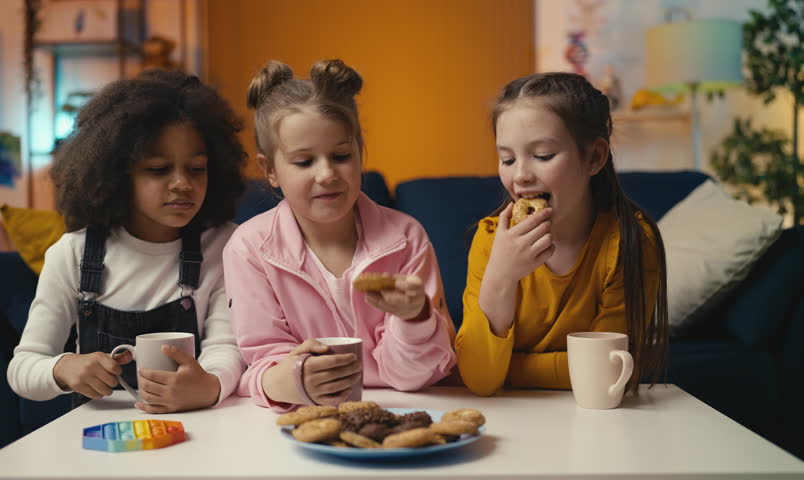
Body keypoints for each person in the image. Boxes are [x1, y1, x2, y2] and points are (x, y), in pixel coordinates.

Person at [7, 70, 247, 413]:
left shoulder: (225, 245)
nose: (182, 183)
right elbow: (22, 367)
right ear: (118, 174)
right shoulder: (71, 255)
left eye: (196, 169)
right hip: (99, 440)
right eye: (158, 169)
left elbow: (227, 347)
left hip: (198, 427)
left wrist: (209, 385)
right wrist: (61, 368)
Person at [223, 59, 456, 411]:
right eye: (304, 162)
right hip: (301, 418)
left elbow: (413, 376)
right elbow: (262, 363)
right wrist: (296, 377)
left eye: (341, 155)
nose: (327, 173)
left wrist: (415, 319)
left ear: (360, 152)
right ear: (270, 169)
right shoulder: (249, 247)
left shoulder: (407, 238)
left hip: (401, 408)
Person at [455, 72, 668, 396]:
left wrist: (511, 368)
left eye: (543, 156)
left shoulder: (628, 241)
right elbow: (480, 379)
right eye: (507, 159)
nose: (521, 175)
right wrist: (501, 276)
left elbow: (606, 373)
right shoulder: (489, 240)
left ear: (594, 157)